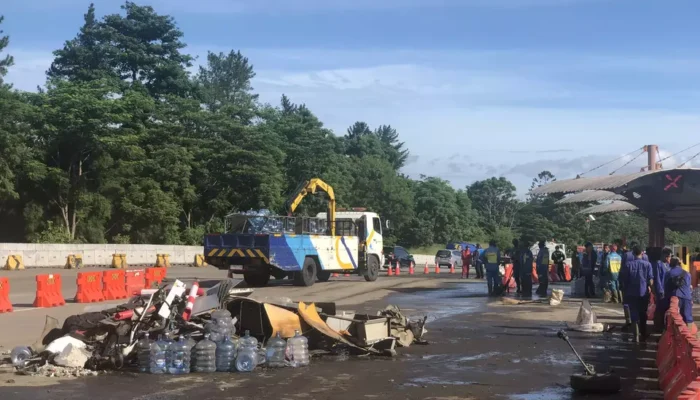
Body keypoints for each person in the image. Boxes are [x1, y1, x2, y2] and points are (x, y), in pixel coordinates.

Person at [619, 245, 654, 342]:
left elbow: (623, 280)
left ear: (633, 253)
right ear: (642, 253)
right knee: (643, 313)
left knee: (634, 314)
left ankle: (636, 335)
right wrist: (651, 289)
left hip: (631, 293)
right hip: (643, 293)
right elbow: (650, 280)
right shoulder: (648, 265)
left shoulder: (628, 265)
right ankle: (643, 333)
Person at [663, 257, 694, 327]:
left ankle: (674, 336)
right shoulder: (687, 274)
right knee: (688, 318)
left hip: (673, 298)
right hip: (686, 297)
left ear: (671, 263)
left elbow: (665, 287)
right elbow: (688, 287)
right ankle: (688, 335)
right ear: (680, 264)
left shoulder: (668, 273)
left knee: (673, 318)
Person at [651, 248, 672, 330]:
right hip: (661, 290)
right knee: (660, 308)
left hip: (667, 290)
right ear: (665, 256)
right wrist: (660, 290)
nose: (670, 258)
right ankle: (658, 325)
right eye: (669, 257)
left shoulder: (668, 265)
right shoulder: (658, 264)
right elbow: (658, 278)